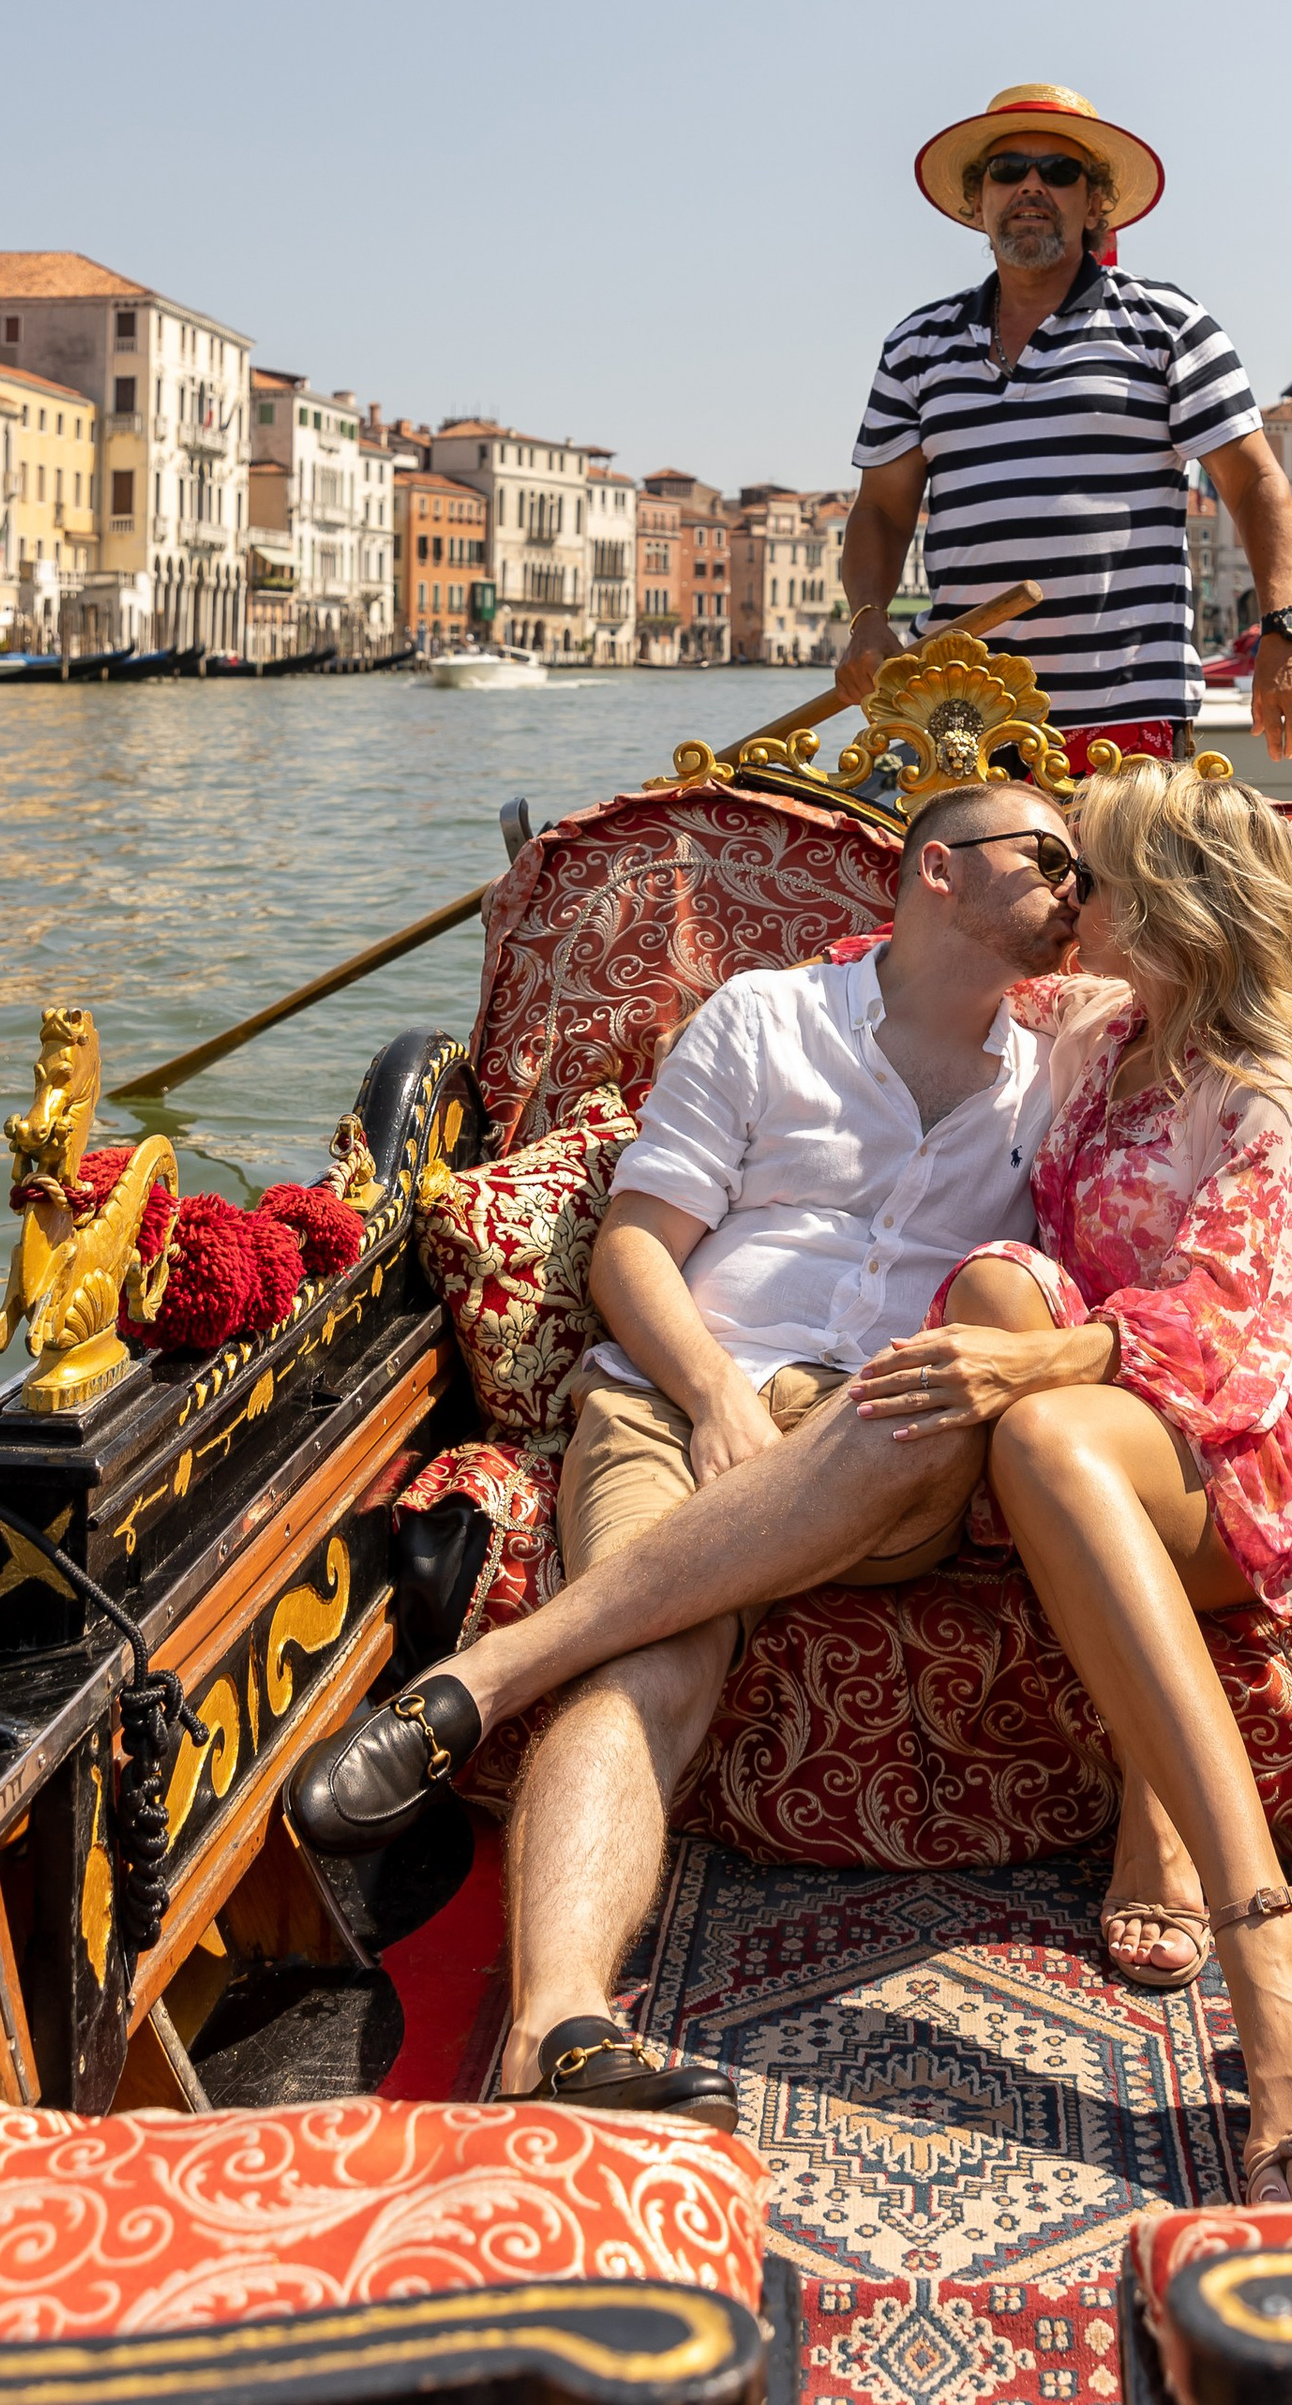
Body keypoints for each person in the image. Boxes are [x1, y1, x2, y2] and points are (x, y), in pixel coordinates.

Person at [288, 777, 1085, 2122]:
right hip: (675, 1399)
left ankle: (486, 1679)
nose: (1080, 891)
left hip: (886, 1437)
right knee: (655, 1659)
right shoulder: (767, 1018)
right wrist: (713, 1395)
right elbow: (634, 1247)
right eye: (1053, 859)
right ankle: (560, 2031)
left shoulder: (1069, 1073)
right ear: (938, 870)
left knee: (930, 1392)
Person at [848, 759, 1292, 2202]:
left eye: (1088, 874)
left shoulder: (1257, 1090)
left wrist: (1024, 1374)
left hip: (1245, 1452)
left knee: (1035, 1422)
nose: (1068, 898)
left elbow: (1219, 1334)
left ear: (1166, 905)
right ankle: (1158, 1794)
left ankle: (1266, 1940)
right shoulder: (1097, 1028)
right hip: (1106, 1423)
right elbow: (902, 963)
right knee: (1002, 1301)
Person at [838, 80, 1292, 771]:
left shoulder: (1169, 325)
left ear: (1095, 202)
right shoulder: (916, 345)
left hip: (1127, 716)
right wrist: (866, 619)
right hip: (960, 712)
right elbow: (881, 513)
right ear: (979, 202)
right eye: (1008, 171)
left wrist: (1285, 630)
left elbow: (1253, 486)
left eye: (1059, 171)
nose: (1031, 186)